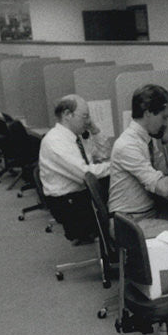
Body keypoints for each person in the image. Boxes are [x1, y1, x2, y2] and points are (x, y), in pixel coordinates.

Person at [108, 84, 168, 238]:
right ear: (148, 113)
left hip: (148, 213)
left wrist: (166, 142)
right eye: (164, 117)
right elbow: (163, 187)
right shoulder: (127, 145)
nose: (166, 123)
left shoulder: (147, 140)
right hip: (129, 223)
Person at [38, 94, 110, 244]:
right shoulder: (55, 141)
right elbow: (86, 174)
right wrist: (118, 165)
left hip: (79, 194)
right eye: (85, 116)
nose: (88, 120)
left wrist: (95, 130)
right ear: (67, 115)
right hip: (69, 203)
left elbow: (104, 154)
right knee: (122, 196)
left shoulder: (77, 138)